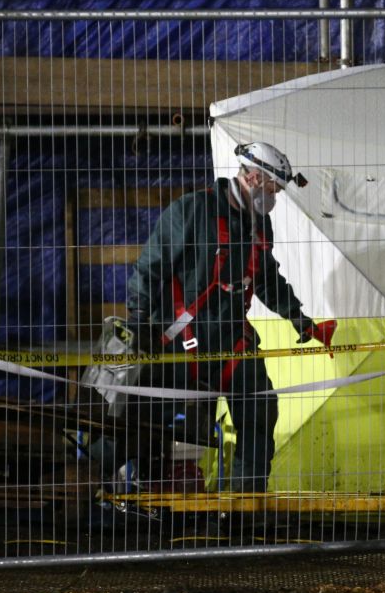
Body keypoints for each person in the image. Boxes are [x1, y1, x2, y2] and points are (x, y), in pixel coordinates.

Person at [124, 142, 335, 492]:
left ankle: (244, 504)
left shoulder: (259, 226)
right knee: (160, 423)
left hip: (232, 341)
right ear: (253, 176)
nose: (275, 198)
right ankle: (146, 496)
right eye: (273, 189)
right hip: (179, 343)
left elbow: (265, 277)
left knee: (259, 409)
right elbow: (150, 267)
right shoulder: (192, 211)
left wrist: (299, 319)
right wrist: (139, 319)